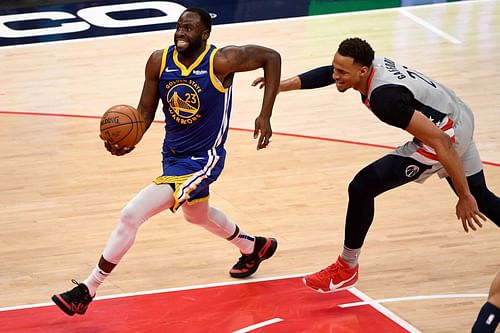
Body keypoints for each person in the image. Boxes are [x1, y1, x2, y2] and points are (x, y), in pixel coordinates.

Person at [51, 7, 281, 316]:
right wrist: (129, 140)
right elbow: (144, 111)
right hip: (171, 156)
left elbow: (271, 57)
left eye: (189, 28)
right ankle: (253, 247)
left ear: (205, 34)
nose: (181, 32)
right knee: (196, 215)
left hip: (203, 159)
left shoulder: (221, 60)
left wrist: (265, 114)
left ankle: (87, 290)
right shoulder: (160, 61)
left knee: (132, 214)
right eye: (179, 26)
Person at [253, 37, 500, 293]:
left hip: (446, 136)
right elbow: (329, 73)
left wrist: (463, 196)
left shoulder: (384, 99)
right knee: (482, 196)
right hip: (458, 113)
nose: (335, 76)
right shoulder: (370, 63)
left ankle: (346, 268)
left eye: (342, 72)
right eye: (335, 68)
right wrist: (282, 86)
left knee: (362, 187)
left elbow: (441, 143)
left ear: (362, 71)